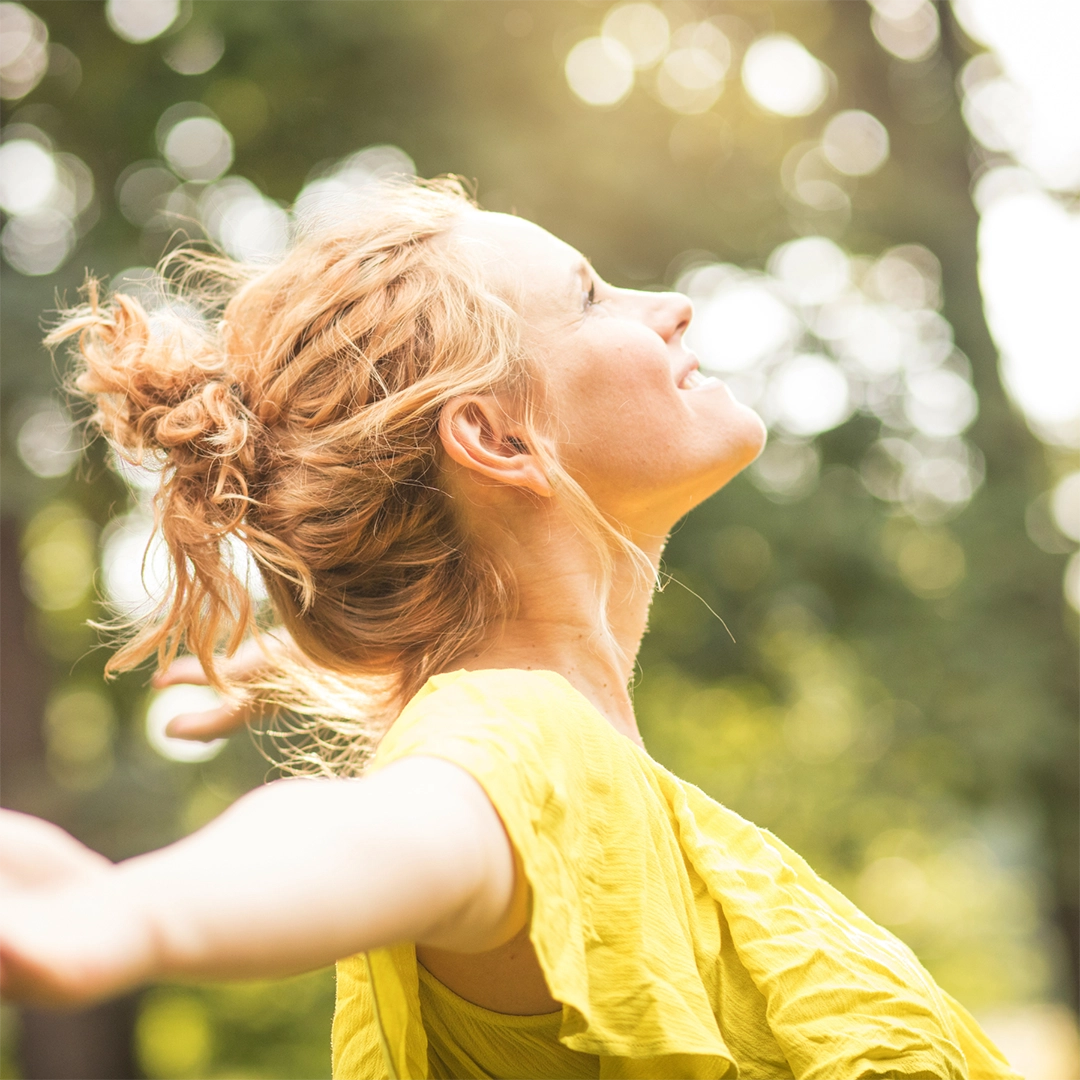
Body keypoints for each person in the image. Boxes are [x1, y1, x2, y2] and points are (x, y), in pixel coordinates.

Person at [0, 178, 1018, 1079]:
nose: (671, 306)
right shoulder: (524, 738)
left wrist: (307, 668)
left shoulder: (557, 758)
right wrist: (133, 910)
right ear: (495, 437)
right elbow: (382, 832)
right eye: (588, 296)